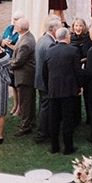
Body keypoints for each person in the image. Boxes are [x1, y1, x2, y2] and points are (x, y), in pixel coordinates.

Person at [43, 26, 83, 155]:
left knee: (54, 120)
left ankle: (54, 146)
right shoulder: (73, 51)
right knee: (67, 120)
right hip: (69, 90)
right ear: (67, 37)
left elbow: (45, 72)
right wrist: (80, 86)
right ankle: (68, 147)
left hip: (53, 90)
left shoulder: (49, 51)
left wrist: (49, 87)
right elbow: (77, 71)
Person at [34, 16, 61, 144]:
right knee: (46, 107)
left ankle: (44, 130)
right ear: (53, 29)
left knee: (43, 106)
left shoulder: (42, 39)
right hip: (45, 80)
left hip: (40, 78)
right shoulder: (50, 43)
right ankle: (43, 132)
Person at [10, 17, 36, 136]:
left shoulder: (25, 43)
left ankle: (25, 126)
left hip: (25, 76)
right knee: (28, 100)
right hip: (27, 75)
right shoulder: (28, 36)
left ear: (21, 28)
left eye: (16, 25)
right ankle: (30, 121)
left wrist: (7, 64)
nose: (14, 26)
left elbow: (19, 61)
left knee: (25, 102)